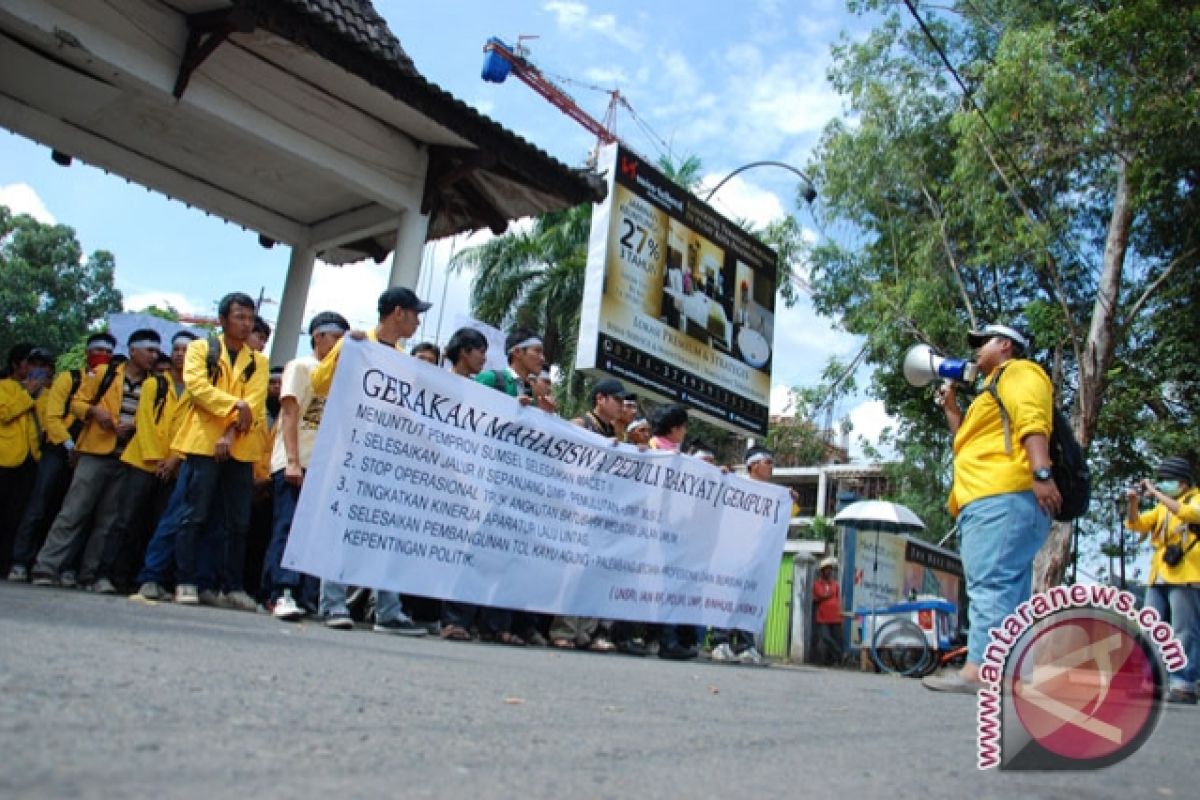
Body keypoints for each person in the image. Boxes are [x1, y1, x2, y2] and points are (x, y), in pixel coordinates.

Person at [923, 323, 1060, 694]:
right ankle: (1008, 671)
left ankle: (981, 669)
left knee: (990, 584)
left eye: (982, 343)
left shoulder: (1019, 372)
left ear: (1004, 345)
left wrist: (1041, 470)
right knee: (1009, 588)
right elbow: (965, 443)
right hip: (996, 497)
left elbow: (1033, 419)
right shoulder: (990, 390)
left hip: (1000, 496)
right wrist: (952, 407)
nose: (976, 350)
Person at [309, 286, 430, 636]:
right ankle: (332, 603)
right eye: (415, 313)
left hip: (387, 455)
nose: (418, 321)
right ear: (398, 313)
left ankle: (388, 611)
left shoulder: (404, 359)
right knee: (340, 526)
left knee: (384, 531)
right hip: (351, 449)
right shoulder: (358, 344)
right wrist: (345, 351)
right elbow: (319, 383)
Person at [30, 331, 164, 589]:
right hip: (94, 452)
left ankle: (89, 574)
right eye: (149, 350)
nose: (153, 356)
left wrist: (135, 426)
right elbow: (76, 403)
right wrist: (96, 412)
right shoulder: (106, 374)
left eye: (156, 351)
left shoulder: (155, 384)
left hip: (126, 458)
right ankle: (46, 567)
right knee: (73, 511)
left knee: (108, 521)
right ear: (133, 350)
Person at [168, 293, 269, 610]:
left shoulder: (259, 362)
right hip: (202, 444)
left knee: (236, 521)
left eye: (250, 318)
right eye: (239, 317)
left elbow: (253, 404)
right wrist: (234, 405)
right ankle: (185, 580)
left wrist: (229, 429)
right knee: (194, 515)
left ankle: (230, 585)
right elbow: (198, 389)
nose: (245, 323)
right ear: (223, 320)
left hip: (239, 446)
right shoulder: (201, 349)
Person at [263, 311, 349, 621]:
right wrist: (293, 461)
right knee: (288, 529)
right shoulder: (301, 367)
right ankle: (281, 592)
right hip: (296, 461)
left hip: (325, 466)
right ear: (318, 336)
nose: (339, 346)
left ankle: (306, 595)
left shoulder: (342, 374)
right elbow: (288, 414)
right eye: (335, 338)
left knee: (314, 535)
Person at [548, 377, 628, 653]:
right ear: (600, 399)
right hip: (577, 507)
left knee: (594, 572)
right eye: (617, 400)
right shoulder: (581, 425)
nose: (621, 406)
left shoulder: (612, 434)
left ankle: (587, 631)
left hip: (601, 509)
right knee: (574, 569)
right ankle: (564, 629)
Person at [1125, 456, 1200, 704]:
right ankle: (1150, 681)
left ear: (1183, 482)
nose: (1164, 484)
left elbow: (1189, 514)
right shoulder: (1161, 508)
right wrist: (1133, 503)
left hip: (1187, 575)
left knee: (1183, 631)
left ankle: (1184, 683)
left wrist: (1156, 493)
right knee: (1150, 627)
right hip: (1159, 575)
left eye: (1168, 480)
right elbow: (1136, 524)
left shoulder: (1195, 499)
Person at [708, 444, 772, 666]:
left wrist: (788, 498)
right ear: (753, 465)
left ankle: (746, 644)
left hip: (753, 557)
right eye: (768, 462)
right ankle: (719, 641)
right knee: (726, 596)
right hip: (731, 553)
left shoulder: (771, 494)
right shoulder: (737, 484)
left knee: (748, 599)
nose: (771, 468)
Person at [0, 344, 50, 575]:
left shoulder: (42, 392)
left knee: (19, 513)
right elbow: (5, 412)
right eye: (30, 363)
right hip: (5, 457)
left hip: (31, 458)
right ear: (16, 364)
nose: (34, 370)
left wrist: (40, 393)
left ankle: (10, 560)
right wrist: (27, 393)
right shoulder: (5, 387)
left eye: (40, 366)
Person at [812, 556, 843, 666]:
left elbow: (837, 597)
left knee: (837, 638)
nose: (828, 572)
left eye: (830, 569)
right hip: (823, 616)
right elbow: (820, 595)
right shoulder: (817, 584)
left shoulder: (835, 584)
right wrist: (828, 595)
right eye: (826, 569)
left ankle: (835, 660)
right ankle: (839, 654)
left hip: (835, 615)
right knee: (826, 637)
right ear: (822, 571)